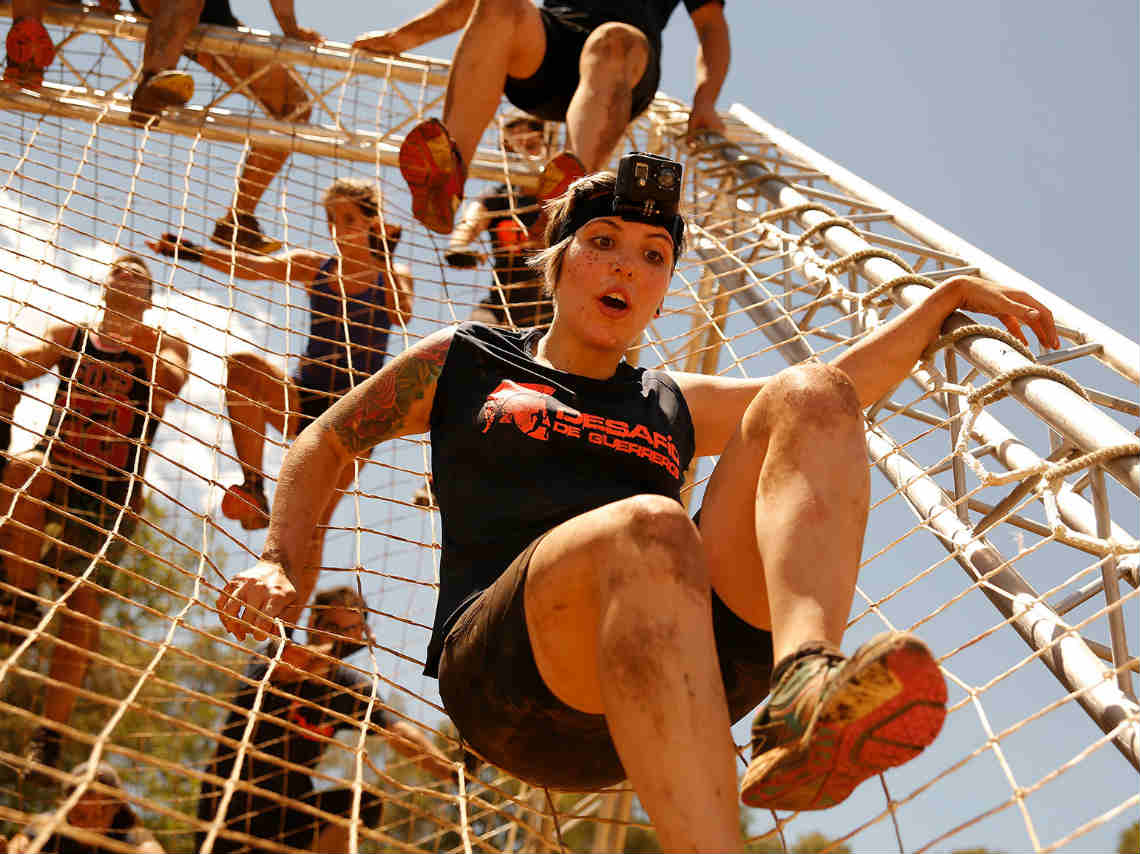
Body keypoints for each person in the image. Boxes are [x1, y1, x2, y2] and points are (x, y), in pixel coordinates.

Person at [213, 155, 1061, 850]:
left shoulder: (668, 400)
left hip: (691, 661)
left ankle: (803, 689)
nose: (627, 263)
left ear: (660, 290)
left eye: (654, 254)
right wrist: (285, 562)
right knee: (650, 526)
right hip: (518, 684)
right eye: (605, 240)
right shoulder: (466, 359)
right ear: (557, 259)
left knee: (811, 391)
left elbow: (845, 394)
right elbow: (327, 439)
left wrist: (940, 301)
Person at [148, 178, 412, 606]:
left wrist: (384, 255)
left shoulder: (393, 274)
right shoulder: (315, 266)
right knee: (244, 370)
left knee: (313, 527)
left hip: (356, 415)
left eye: (350, 218)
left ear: (371, 222)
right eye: (332, 220)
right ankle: (253, 486)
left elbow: (403, 313)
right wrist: (190, 251)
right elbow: (252, 267)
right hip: (304, 397)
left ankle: (284, 636)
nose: (340, 228)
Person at [0, 254, 189, 771]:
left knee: (81, 601)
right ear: (103, 285)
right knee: (21, 470)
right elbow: (21, 364)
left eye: (138, 273)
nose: (126, 273)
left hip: (111, 489)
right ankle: (18, 598)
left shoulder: (164, 343)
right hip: (57, 465)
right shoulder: (71, 333)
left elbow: (171, 385)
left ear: (149, 298)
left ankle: (50, 733)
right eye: (119, 269)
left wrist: (142, 338)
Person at [353, 0, 730, 234]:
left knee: (613, 39)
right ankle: (449, 173)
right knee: (501, 3)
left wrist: (705, 99)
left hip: (622, 65)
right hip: (550, 50)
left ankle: (569, 196)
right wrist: (402, 38)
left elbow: (711, 26)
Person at [196, 586, 455, 854]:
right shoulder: (277, 652)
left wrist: (454, 772)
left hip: (289, 810)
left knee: (360, 803)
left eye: (350, 630)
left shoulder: (350, 689)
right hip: (230, 799)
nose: (340, 636)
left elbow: (398, 732)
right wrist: (338, 647)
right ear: (312, 623)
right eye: (332, 626)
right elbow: (291, 666)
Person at [127, 0, 320, 251]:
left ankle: (238, 219)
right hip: (180, 12)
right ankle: (153, 82)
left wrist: (292, 29)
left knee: (295, 107)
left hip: (206, 18)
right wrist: (291, 29)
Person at [446, 112, 553, 328]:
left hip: (553, 310)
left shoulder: (563, 199)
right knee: (469, 334)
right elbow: (471, 221)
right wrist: (459, 246)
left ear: (546, 147)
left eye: (530, 145)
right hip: (501, 306)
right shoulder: (498, 198)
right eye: (513, 150)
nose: (523, 156)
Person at [7, 760, 164, 853]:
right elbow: (19, 845)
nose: (89, 826)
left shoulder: (131, 834)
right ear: (67, 809)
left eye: (99, 815)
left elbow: (150, 848)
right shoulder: (48, 824)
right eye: (80, 816)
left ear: (116, 809)